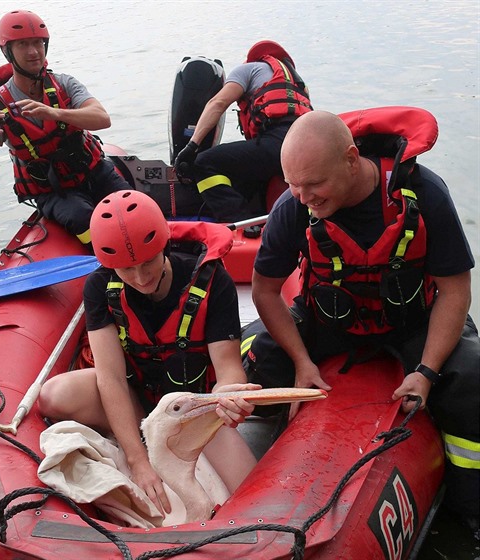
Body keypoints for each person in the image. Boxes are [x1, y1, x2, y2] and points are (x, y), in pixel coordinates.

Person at [245, 108, 480, 536]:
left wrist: (426, 372)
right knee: (259, 356)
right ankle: (258, 485)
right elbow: (264, 290)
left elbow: (456, 290)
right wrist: (300, 361)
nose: (304, 197)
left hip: (412, 322)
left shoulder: (423, 192)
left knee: (472, 375)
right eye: (294, 185)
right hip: (328, 324)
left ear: (352, 159)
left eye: (315, 184)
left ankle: (468, 503)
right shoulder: (292, 206)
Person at [39, 189, 260, 516]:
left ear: (164, 246)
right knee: (54, 395)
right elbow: (111, 378)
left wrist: (227, 396)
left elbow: (228, 368)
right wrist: (138, 460)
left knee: (252, 492)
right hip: (137, 397)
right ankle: (131, 435)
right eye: (126, 269)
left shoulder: (213, 281)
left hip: (193, 408)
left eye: (148, 262)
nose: (140, 278)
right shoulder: (100, 288)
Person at [0, 10, 130, 248]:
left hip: (94, 171)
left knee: (133, 206)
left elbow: (102, 119)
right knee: (83, 218)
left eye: (38, 43)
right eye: (23, 45)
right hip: (52, 190)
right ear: (7, 51)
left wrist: (55, 113)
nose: (33, 52)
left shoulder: (64, 84)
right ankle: (107, 267)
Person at [174, 40, 312, 222]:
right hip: (307, 146)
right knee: (247, 174)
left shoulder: (248, 69)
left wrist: (192, 146)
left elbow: (217, 103)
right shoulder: (299, 85)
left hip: (278, 143)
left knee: (204, 163)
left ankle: (240, 223)